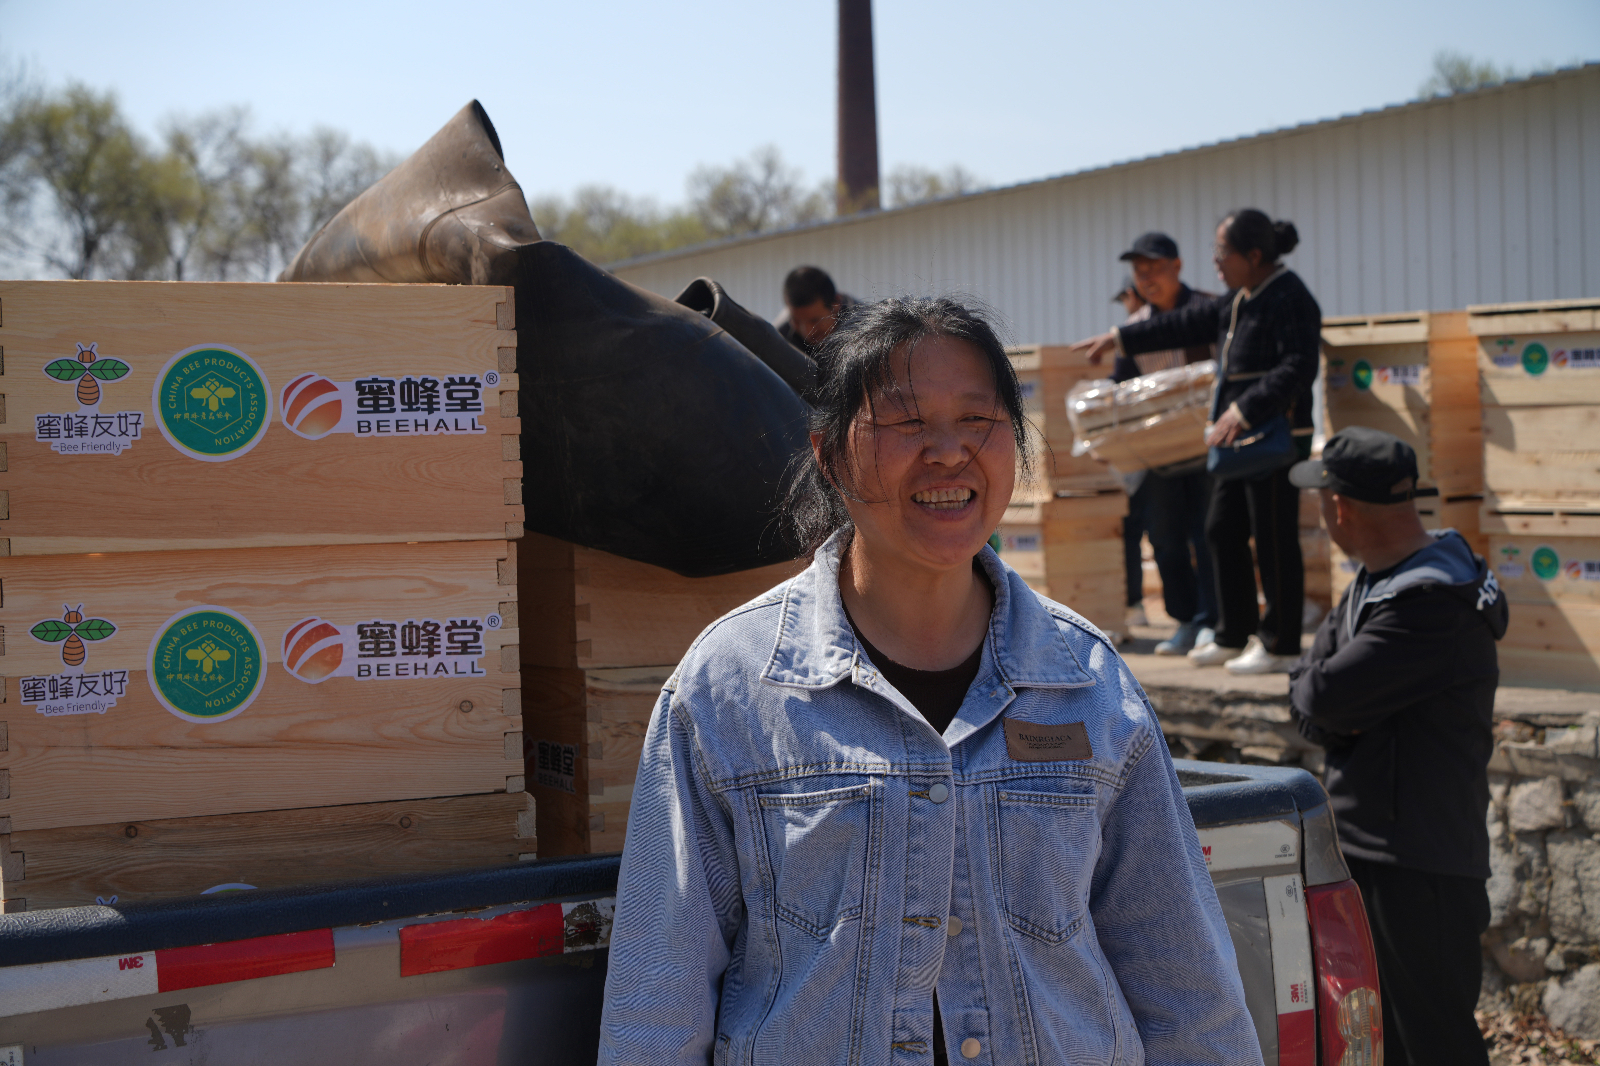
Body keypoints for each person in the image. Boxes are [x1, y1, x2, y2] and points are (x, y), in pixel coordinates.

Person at [599, 296, 1262, 1066]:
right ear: (828, 455)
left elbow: (1187, 989)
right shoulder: (730, 687)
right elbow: (659, 1000)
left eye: (977, 419)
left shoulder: (1086, 681)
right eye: (906, 422)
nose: (948, 452)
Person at [1287, 427, 1505, 1066]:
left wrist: (1333, 711)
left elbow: (1322, 696)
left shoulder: (1428, 603)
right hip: (1378, 847)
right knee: (1379, 1041)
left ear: (1340, 507)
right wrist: (1335, 714)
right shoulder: (1381, 581)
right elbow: (1313, 691)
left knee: (1434, 1042)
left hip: (1418, 862)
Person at [1072, 209, 1320, 674]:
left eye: (1222, 251)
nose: (1215, 260)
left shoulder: (1289, 296)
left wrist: (1244, 410)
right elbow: (1181, 324)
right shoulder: (1237, 299)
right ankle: (1232, 633)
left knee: (1274, 538)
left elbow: (1299, 366)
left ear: (1254, 255)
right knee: (1221, 530)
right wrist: (1119, 338)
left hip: (1274, 438)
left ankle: (1280, 644)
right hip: (1235, 441)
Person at [1111, 232, 1219, 656]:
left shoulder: (1210, 310)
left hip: (1209, 449)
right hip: (1158, 457)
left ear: (1177, 266)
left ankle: (1214, 622)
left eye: (1155, 268)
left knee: (1210, 536)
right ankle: (1185, 621)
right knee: (1166, 540)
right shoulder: (1132, 330)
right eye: (1140, 271)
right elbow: (1120, 389)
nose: (1147, 278)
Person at [775, 264, 857, 356]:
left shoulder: (865, 331)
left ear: (836, 305)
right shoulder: (780, 339)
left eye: (814, 320)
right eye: (797, 322)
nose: (807, 332)